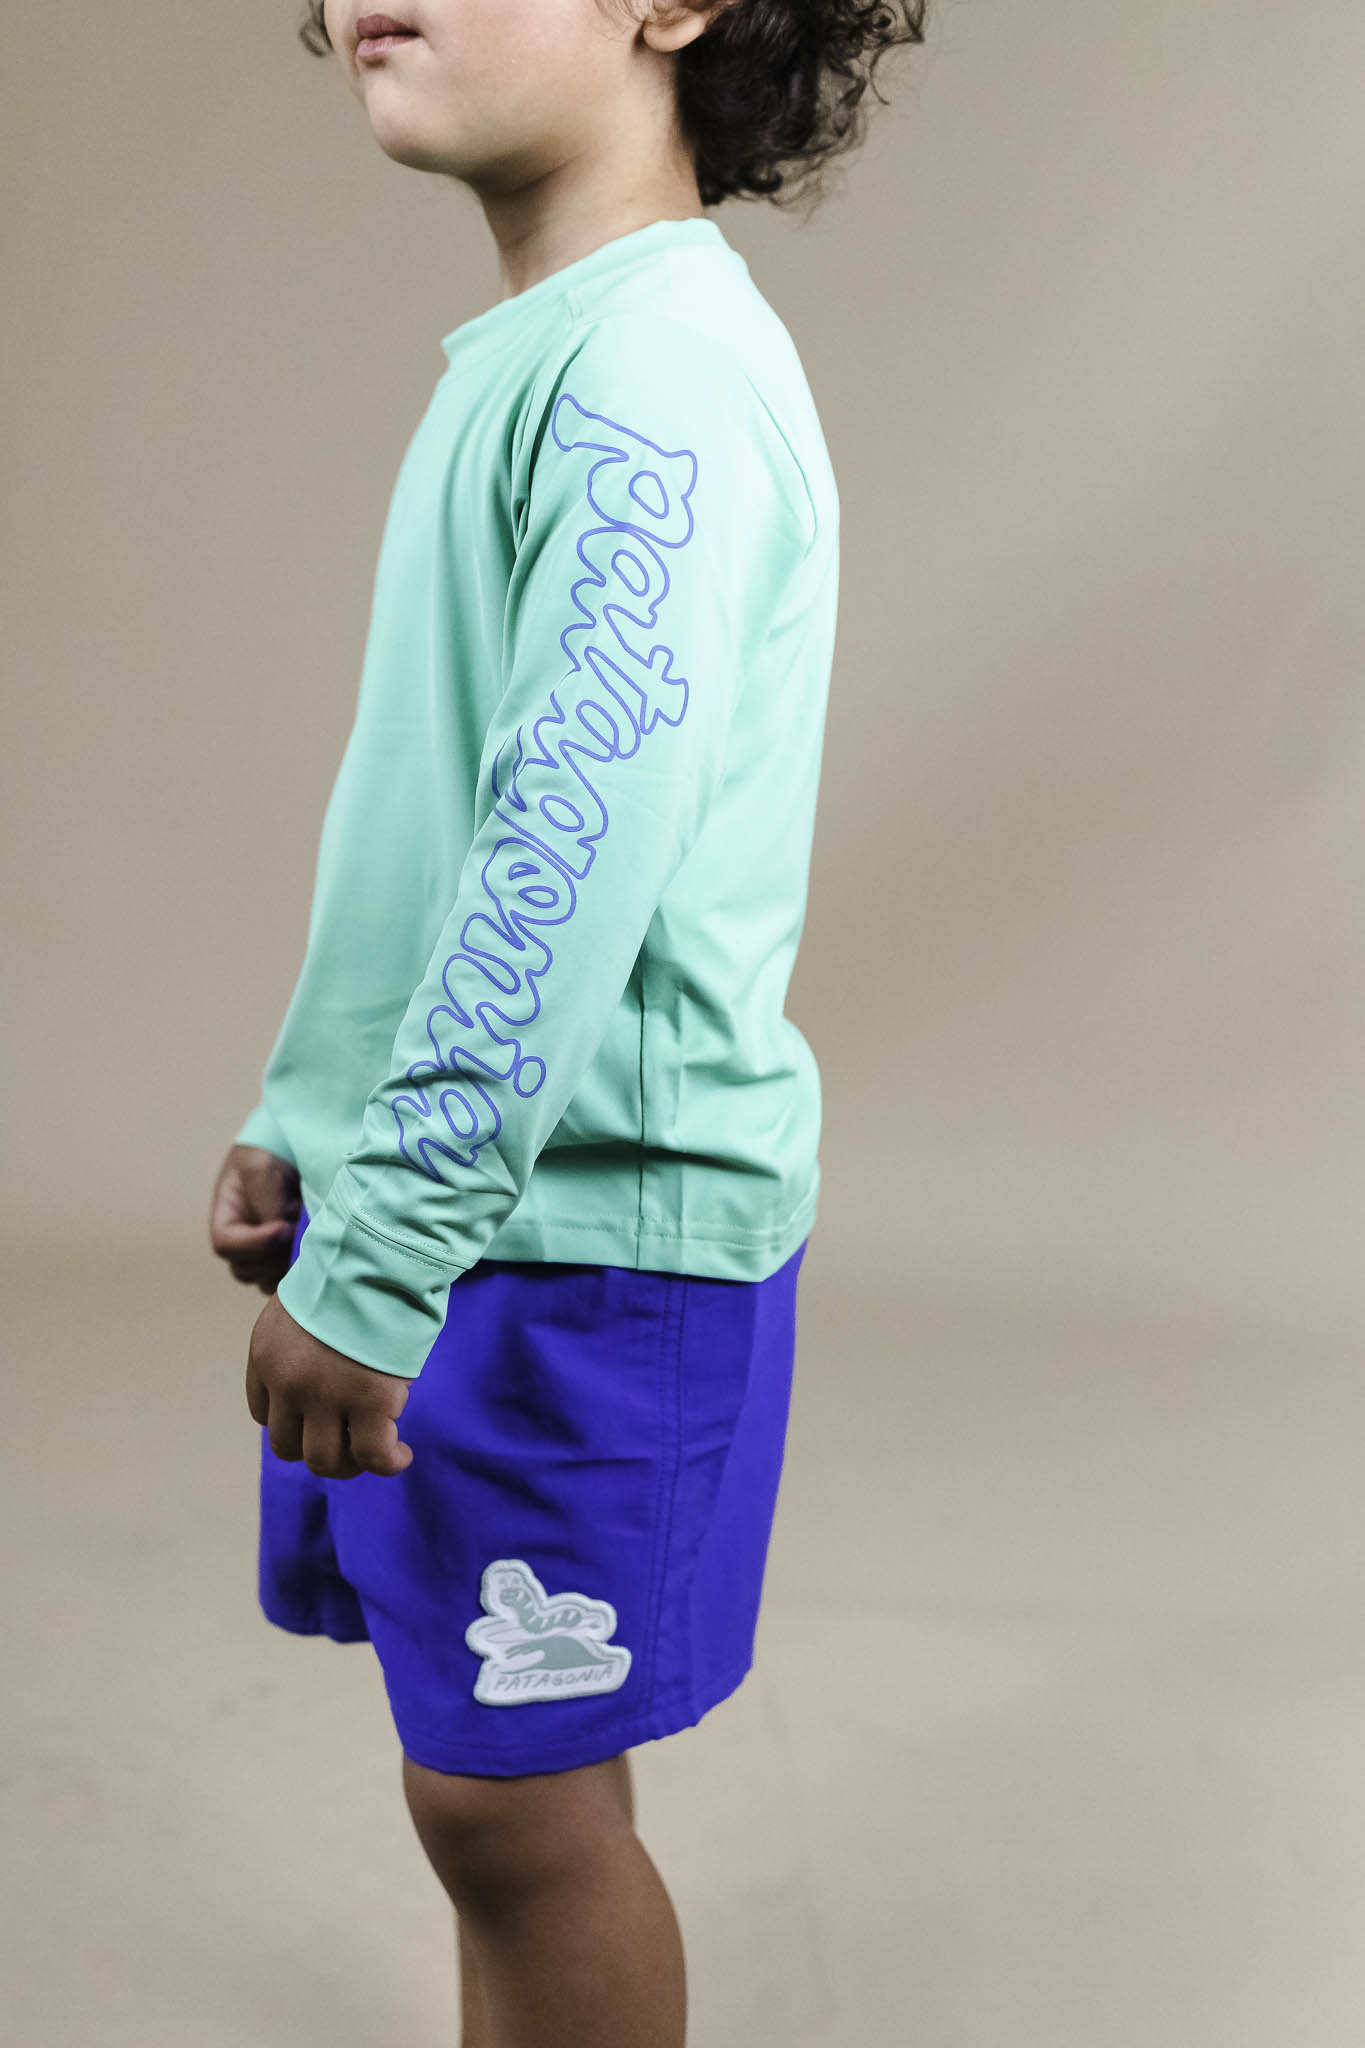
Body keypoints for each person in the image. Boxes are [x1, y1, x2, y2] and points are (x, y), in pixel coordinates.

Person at [208, 1, 924, 2040]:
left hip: (588, 1242)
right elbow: (445, 810)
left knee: (509, 1807)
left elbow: (566, 860)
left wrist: (387, 1253)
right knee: (487, 1784)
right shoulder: (567, 348)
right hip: (477, 1204)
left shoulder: (653, 380)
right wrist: (315, 1116)